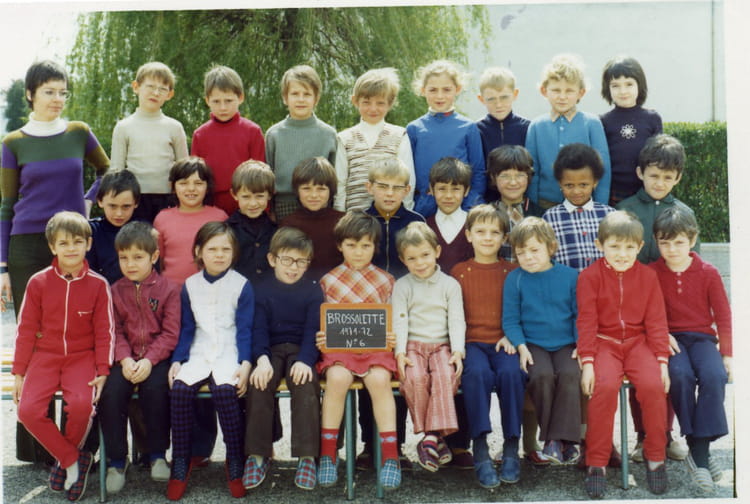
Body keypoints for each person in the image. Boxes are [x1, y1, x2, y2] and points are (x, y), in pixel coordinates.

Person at [1, 60, 109, 464]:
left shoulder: (78, 132)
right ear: (31, 94)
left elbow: (107, 171)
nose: (57, 99)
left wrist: (86, 203)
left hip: (73, 240)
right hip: (27, 244)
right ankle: (39, 449)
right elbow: (6, 205)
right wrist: (2, 267)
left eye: (63, 92)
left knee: (80, 333)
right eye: (49, 92)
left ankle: (78, 444)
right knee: (36, 338)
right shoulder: (12, 143)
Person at [12, 211, 114, 501]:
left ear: (88, 244)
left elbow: (105, 331)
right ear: (52, 247)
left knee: (82, 406)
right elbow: (25, 330)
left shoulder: (98, 284)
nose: (71, 248)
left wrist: (103, 370)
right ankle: (71, 460)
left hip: (82, 358)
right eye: (64, 243)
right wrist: (19, 373)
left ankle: (66, 463)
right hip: (44, 357)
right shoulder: (38, 282)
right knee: (27, 411)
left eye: (78, 242)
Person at [577, 211, 670, 498]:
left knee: (654, 386)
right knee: (603, 388)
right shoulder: (589, 277)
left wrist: (662, 361)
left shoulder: (648, 276)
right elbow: (586, 321)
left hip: (638, 342)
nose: (622, 253)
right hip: (604, 343)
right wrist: (588, 361)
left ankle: (656, 457)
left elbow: (656, 321)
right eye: (614, 246)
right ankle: (597, 462)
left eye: (630, 247)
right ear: (599, 244)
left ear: (640, 247)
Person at [166, 222, 252, 500]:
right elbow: (187, 328)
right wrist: (178, 359)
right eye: (212, 249)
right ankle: (181, 459)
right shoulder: (190, 285)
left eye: (225, 249)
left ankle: (235, 458)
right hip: (199, 350)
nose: (219, 255)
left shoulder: (241, 285)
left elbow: (245, 329)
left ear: (234, 252)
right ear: (198, 252)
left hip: (229, 350)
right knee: (180, 390)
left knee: (225, 391)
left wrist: (246, 363)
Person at [317, 211, 401, 490]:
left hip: (376, 349)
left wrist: (392, 335)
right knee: (337, 378)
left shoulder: (386, 281)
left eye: (366, 245)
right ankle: (328, 454)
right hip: (340, 351)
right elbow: (324, 321)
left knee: (379, 380)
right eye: (351, 245)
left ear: (375, 247)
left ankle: (391, 457)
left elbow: (393, 318)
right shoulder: (328, 281)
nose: (358, 252)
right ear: (340, 245)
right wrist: (322, 336)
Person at [650, 207, 731, 494]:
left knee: (715, 375)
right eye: (665, 242)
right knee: (680, 376)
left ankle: (699, 451)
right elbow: (646, 312)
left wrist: (728, 354)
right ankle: (700, 454)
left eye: (679, 242)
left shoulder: (708, 273)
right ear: (656, 241)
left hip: (702, 339)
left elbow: (723, 315)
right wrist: (660, 335)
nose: (672, 249)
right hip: (670, 339)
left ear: (693, 240)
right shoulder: (651, 273)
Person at [98, 221, 180, 493]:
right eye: (124, 257)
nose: (130, 264)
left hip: (157, 359)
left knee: (156, 390)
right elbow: (114, 331)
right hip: (124, 359)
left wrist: (149, 360)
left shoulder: (169, 289)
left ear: (154, 256)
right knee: (110, 393)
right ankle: (116, 461)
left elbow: (170, 333)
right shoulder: (114, 291)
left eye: (137, 257)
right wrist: (124, 359)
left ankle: (157, 455)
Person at [243, 227, 323, 491]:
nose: (293, 267)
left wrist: (306, 360)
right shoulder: (260, 288)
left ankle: (307, 457)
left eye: (301, 261)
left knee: (305, 383)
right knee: (259, 382)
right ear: (272, 259)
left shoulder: (313, 290)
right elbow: (257, 328)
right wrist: (261, 359)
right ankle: (258, 455)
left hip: (301, 349)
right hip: (271, 349)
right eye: (287, 260)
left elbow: (313, 330)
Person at [451, 205, 525, 487]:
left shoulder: (513, 272)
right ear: (468, 235)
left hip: (504, 341)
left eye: (494, 232)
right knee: (477, 374)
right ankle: (480, 448)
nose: (487, 237)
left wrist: (513, 337)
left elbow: (522, 311)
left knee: (512, 373)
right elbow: (453, 315)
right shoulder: (459, 272)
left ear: (505, 237)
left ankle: (511, 447)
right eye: (480, 231)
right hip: (472, 343)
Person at [503, 217, 580, 467]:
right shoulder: (515, 279)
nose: (528, 257)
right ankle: (555, 440)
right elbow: (511, 320)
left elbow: (580, 315)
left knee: (570, 374)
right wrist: (521, 346)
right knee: (541, 376)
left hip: (566, 343)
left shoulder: (570, 276)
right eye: (521, 252)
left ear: (551, 247)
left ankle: (561, 440)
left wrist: (581, 345)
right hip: (533, 343)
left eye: (534, 250)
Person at [393, 222, 465, 474]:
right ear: (403, 260)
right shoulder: (402, 285)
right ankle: (434, 437)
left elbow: (456, 319)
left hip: (442, 346)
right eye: (412, 258)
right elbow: (399, 320)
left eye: (425, 255)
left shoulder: (450, 285)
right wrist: (400, 352)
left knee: (446, 375)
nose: (420, 263)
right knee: (413, 378)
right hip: (412, 346)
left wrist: (458, 350)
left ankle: (430, 437)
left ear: (437, 251)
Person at [525, 54, 611, 209]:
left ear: (581, 93)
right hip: (546, 204)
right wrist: (533, 208)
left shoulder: (592, 124)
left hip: (584, 204)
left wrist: (600, 207)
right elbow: (532, 172)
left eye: (569, 91)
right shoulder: (536, 126)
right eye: (556, 90)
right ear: (544, 91)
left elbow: (603, 170)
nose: (562, 97)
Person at [109, 61, 188, 222]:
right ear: (136, 87)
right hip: (135, 199)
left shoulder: (174, 127)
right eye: (150, 86)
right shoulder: (124, 127)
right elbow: (116, 169)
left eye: (162, 89)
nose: (156, 93)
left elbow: (184, 168)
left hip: (168, 198)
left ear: (170, 94)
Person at [407, 60, 486, 217]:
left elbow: (478, 171)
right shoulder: (414, 129)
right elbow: (409, 174)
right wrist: (418, 204)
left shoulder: (468, 127)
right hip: (424, 209)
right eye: (433, 90)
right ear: (423, 90)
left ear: (457, 89)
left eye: (446, 89)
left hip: (460, 207)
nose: (440, 96)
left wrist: (469, 204)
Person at [334, 67, 415, 211]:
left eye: (380, 103)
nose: (373, 109)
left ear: (390, 103)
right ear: (355, 101)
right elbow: (340, 182)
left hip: (390, 216)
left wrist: (406, 212)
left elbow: (408, 179)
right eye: (366, 102)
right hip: (355, 217)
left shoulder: (399, 135)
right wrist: (340, 214)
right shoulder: (344, 138)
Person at [265, 65, 337, 220]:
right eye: (295, 94)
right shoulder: (274, 134)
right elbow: (268, 177)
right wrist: (270, 210)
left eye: (307, 94)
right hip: (284, 205)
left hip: (320, 204)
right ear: (285, 98)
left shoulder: (328, 134)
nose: (301, 99)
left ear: (316, 98)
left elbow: (334, 178)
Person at [191, 65, 266, 215]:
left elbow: (261, 177)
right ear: (207, 101)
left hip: (246, 204)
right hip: (211, 204)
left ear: (241, 98)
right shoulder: (200, 134)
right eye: (216, 101)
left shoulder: (252, 131)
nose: (223, 107)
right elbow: (195, 176)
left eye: (229, 101)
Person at [617, 134, 699, 264]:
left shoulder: (685, 213)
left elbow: (693, 259)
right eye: (654, 176)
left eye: (667, 177)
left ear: (677, 178)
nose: (660, 184)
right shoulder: (624, 209)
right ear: (640, 173)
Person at [153, 157, 228, 285]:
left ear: (207, 187)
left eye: (198, 183)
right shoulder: (162, 219)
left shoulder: (219, 217)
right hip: (172, 290)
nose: (191, 188)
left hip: (211, 289)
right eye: (184, 183)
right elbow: (158, 259)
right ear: (173, 187)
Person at [542, 143, 615, 272]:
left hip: (603, 283)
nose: (576, 191)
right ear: (560, 183)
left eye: (583, 185)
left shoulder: (610, 215)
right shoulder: (550, 218)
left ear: (595, 182)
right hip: (566, 283)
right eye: (569, 185)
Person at [600, 56, 662, 206]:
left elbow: (660, 159)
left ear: (639, 85)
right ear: (608, 88)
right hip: (614, 194)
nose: (623, 91)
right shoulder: (603, 121)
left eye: (629, 84)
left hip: (645, 193)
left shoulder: (652, 118)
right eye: (615, 85)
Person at [280, 157, 344, 280]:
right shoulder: (288, 224)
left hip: (337, 285)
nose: (314, 195)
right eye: (306, 188)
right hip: (301, 286)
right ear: (297, 190)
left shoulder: (343, 221)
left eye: (321, 189)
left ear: (331, 191)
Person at [475, 66, 530, 202]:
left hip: (521, 200)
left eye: (504, 97)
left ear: (515, 94)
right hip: (487, 202)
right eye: (491, 99)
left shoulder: (528, 128)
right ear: (481, 99)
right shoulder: (476, 130)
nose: (498, 104)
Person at [365, 158, 425, 279]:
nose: (390, 193)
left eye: (397, 188)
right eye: (382, 187)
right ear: (370, 187)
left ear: (407, 190)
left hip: (407, 285)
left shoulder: (416, 222)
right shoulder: (360, 220)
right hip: (369, 285)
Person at [486, 145, 545, 262]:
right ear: (493, 177)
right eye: (505, 176)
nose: (513, 182)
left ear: (528, 177)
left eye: (519, 175)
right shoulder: (485, 214)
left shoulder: (541, 215)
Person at [225, 160, 277, 283]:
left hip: (268, 291)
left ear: (270, 194)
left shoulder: (275, 229)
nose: (253, 203)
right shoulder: (227, 230)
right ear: (234, 194)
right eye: (246, 197)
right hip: (238, 291)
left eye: (259, 196)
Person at [87, 170, 141, 284]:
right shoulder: (91, 231)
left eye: (126, 207)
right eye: (112, 206)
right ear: (100, 201)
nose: (119, 214)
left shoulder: (143, 231)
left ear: (136, 203)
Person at [425, 157, 474, 272]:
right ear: (431, 189)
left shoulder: (475, 225)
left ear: (466, 191)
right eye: (442, 189)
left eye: (455, 189)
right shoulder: (425, 226)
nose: (448, 196)